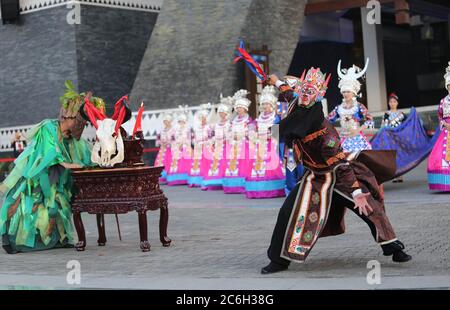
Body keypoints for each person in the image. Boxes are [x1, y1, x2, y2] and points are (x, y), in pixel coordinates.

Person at [261, 69, 411, 274]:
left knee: (369, 208)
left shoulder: (325, 133)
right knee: (288, 211)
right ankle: (278, 261)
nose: (305, 95)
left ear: (319, 95)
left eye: (310, 92)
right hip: (314, 176)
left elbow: (340, 165)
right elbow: (289, 92)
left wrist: (357, 193)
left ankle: (393, 247)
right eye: (303, 89)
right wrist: (276, 81)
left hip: (337, 174)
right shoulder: (298, 102)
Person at [0, 81, 99, 254]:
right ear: (68, 117)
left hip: (58, 179)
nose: (81, 125)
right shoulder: (48, 127)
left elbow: (84, 153)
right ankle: (17, 239)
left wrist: (97, 160)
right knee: (30, 204)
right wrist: (71, 164)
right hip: (38, 177)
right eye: (79, 120)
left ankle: (59, 238)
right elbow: (50, 155)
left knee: (59, 205)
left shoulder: (72, 137)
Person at [245, 86, 285, 199]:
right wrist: (254, 135)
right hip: (260, 145)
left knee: (272, 166)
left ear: (272, 105)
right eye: (263, 104)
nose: (265, 106)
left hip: (270, 145)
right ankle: (257, 190)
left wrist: (270, 137)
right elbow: (252, 130)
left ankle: (273, 189)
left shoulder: (275, 117)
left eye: (267, 104)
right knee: (257, 167)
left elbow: (276, 131)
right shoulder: (259, 118)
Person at [328, 59, 374, 153]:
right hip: (342, 138)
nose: (346, 94)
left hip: (356, 138)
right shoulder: (339, 108)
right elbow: (327, 120)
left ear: (353, 93)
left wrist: (358, 130)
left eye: (348, 91)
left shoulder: (358, 106)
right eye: (344, 92)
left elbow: (370, 120)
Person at [222, 90, 254, 194]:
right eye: (237, 108)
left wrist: (243, 135)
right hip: (234, 145)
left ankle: (242, 184)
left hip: (244, 145)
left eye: (241, 107)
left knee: (243, 164)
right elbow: (229, 131)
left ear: (245, 108)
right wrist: (231, 136)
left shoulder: (249, 119)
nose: (239, 109)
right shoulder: (234, 120)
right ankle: (232, 186)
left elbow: (252, 132)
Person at [201, 96, 233, 191]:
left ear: (227, 113)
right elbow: (212, 135)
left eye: (223, 113)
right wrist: (212, 142)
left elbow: (231, 135)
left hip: (227, 146)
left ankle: (224, 181)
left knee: (225, 163)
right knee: (215, 163)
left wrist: (226, 139)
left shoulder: (229, 124)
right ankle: (214, 181)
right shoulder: (216, 125)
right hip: (217, 147)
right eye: (220, 113)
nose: (222, 114)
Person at [428, 62, 450, 191]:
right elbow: (440, 116)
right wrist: (445, 124)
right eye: (449, 85)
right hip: (446, 130)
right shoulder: (443, 101)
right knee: (440, 155)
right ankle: (445, 183)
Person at [188, 104, 213, 188]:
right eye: (201, 118)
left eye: (204, 117)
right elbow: (194, 138)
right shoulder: (197, 128)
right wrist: (196, 143)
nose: (203, 119)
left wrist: (206, 143)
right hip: (198, 147)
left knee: (206, 164)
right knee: (197, 164)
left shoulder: (209, 127)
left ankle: (206, 179)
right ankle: (196, 181)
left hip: (206, 147)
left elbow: (212, 138)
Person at [166, 107, 192, 186]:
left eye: (183, 121)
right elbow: (171, 137)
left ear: (185, 121)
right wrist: (175, 144)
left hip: (185, 147)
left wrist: (185, 144)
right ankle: (175, 179)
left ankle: (185, 178)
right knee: (176, 162)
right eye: (180, 121)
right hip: (177, 147)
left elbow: (189, 139)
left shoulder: (187, 129)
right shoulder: (175, 129)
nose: (181, 123)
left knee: (185, 161)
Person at [154, 113, 175, 184]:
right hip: (162, 149)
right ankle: (161, 177)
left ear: (170, 121)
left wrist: (168, 143)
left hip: (170, 149)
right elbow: (158, 139)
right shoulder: (161, 130)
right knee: (160, 162)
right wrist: (161, 143)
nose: (166, 122)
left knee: (169, 162)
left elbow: (174, 140)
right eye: (165, 121)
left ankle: (169, 177)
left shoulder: (173, 130)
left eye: (167, 121)